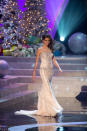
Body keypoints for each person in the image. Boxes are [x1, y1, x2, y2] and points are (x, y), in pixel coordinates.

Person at [15, 35, 63, 117]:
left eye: (48, 40)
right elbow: (37, 61)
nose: (47, 42)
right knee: (47, 86)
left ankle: (46, 108)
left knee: (47, 87)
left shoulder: (50, 49)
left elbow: (54, 60)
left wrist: (59, 68)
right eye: (45, 40)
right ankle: (52, 108)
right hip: (43, 70)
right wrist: (34, 72)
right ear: (43, 41)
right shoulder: (39, 49)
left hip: (50, 70)